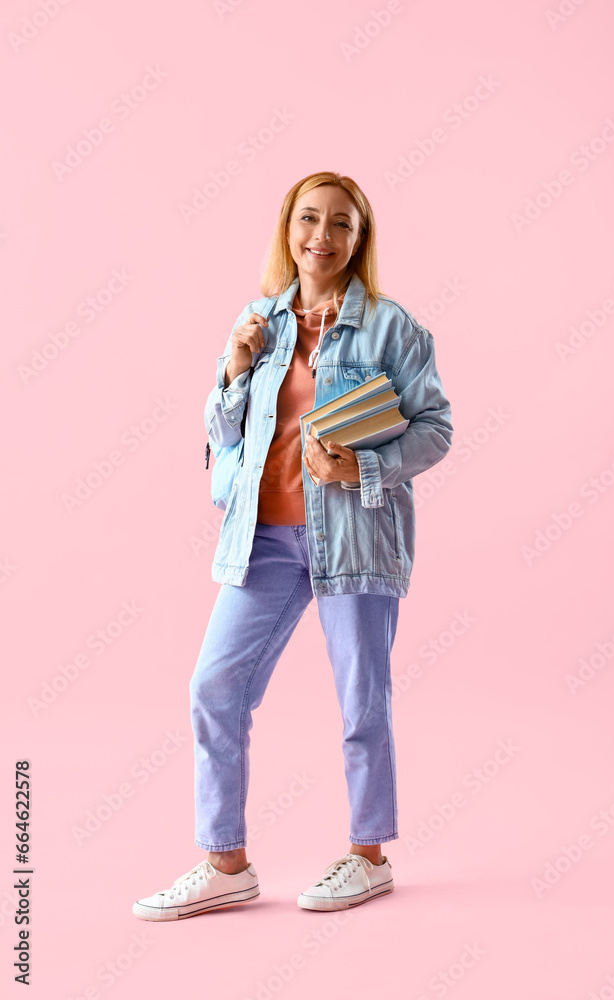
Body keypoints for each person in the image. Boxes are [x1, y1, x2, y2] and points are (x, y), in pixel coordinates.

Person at [132, 171, 453, 921]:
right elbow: (223, 441)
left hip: (354, 536)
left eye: (341, 224)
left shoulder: (391, 328)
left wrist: (363, 466)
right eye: (308, 219)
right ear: (287, 229)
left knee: (359, 700)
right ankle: (225, 863)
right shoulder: (258, 319)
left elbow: (434, 428)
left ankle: (368, 855)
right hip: (264, 539)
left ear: (359, 239)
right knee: (214, 687)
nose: (322, 236)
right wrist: (234, 372)